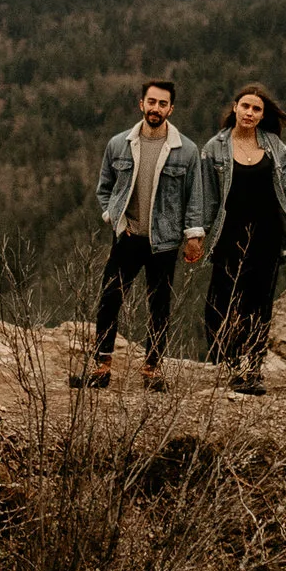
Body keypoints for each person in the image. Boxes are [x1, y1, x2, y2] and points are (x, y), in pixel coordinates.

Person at [193, 82, 286, 396]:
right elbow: (208, 198)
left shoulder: (273, 146)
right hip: (230, 234)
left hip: (266, 235)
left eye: (257, 109)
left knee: (258, 304)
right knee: (218, 304)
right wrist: (196, 235)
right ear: (235, 108)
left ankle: (252, 369)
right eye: (246, 107)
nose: (250, 113)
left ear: (262, 115)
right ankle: (228, 362)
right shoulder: (214, 147)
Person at [74, 78, 207, 391]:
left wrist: (193, 236)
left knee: (159, 304)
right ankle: (102, 364)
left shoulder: (185, 151)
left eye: (162, 104)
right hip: (128, 236)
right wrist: (112, 216)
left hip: (164, 241)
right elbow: (104, 187)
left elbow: (195, 197)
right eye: (151, 102)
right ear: (141, 104)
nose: (156, 108)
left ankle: (152, 368)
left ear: (171, 109)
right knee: (110, 298)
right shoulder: (119, 144)